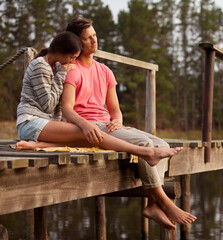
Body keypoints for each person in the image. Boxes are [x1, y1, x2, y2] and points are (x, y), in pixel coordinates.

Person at [62, 17, 196, 230]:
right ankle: (164, 201)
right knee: (145, 145)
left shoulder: (105, 71)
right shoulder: (72, 70)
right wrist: (86, 125)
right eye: (88, 38)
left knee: (162, 144)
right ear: (77, 43)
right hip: (89, 129)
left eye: (95, 35)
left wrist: (117, 120)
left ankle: (152, 205)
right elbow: (67, 108)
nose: (94, 41)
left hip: (109, 125)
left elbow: (115, 109)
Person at [16, 31, 181, 167]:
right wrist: (62, 75)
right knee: (89, 132)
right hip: (31, 122)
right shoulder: (40, 66)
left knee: (91, 137)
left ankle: (38, 145)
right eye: (72, 57)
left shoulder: (55, 66)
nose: (73, 62)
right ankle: (146, 152)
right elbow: (48, 106)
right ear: (61, 52)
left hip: (44, 125)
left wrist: (61, 72)